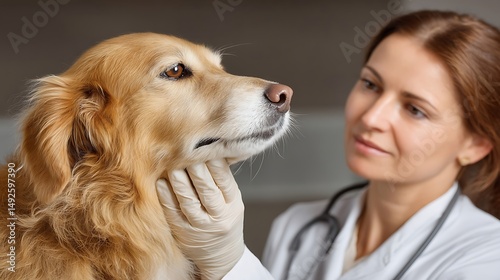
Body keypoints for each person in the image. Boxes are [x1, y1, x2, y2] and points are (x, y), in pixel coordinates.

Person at [156, 10, 500, 280]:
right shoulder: (299, 226)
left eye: (414, 109)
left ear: (476, 144)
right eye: (370, 84)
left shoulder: (487, 258)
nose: (372, 118)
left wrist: (232, 265)